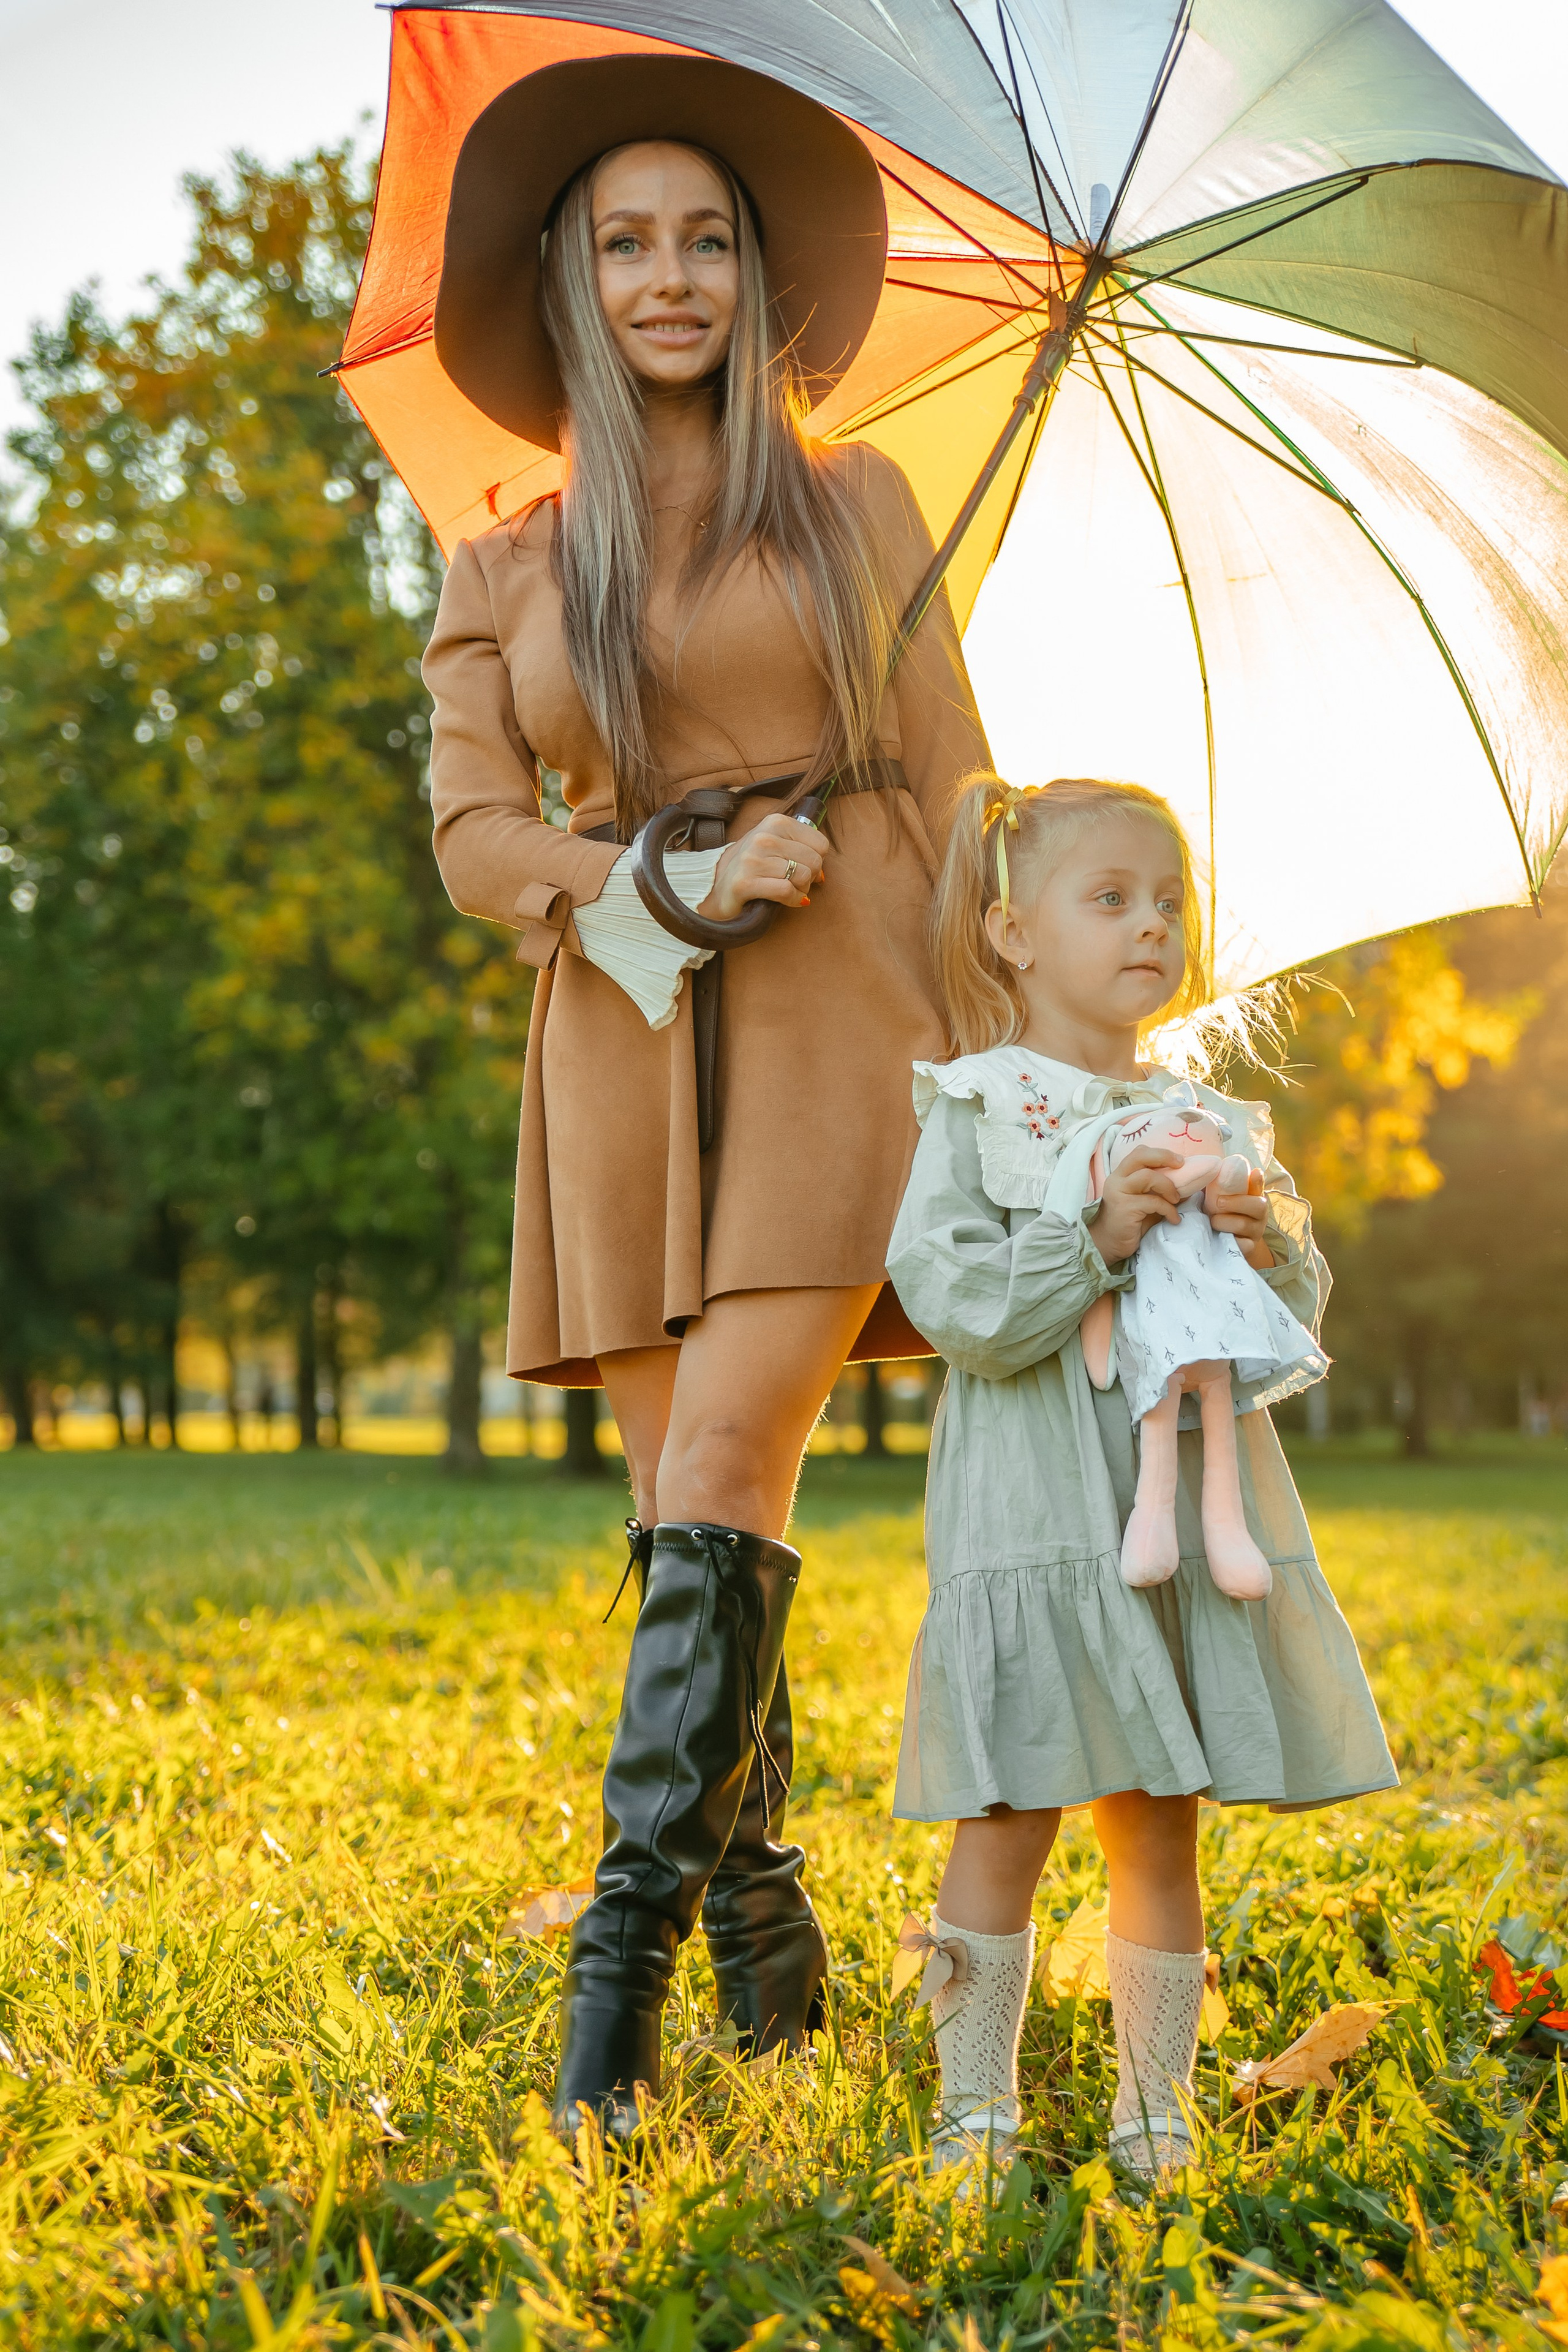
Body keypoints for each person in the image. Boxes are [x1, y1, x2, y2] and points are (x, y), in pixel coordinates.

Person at [421, 54, 991, 2137]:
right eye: (630, 243)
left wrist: (1019, 1050)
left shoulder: (860, 506)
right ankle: (774, 1952)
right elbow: (486, 848)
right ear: (573, 282)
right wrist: (655, 867)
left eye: (709, 239)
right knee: (682, 1515)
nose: (673, 277)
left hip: (851, 1013)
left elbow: (956, 784)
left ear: (759, 277)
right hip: (624, 1039)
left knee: (734, 1467)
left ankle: (613, 2006)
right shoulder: (501, 566)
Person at [884, 775, 1395, 2179]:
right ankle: (973, 2103)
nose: (1149, 926)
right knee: (1006, 1812)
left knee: (1155, 1819)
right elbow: (954, 1300)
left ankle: (1153, 2107)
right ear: (1009, 933)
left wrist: (1258, 1231)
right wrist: (1094, 1236)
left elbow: (1281, 1320)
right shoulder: (979, 1103)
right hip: (1037, 1506)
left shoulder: (1208, 1114)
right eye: (1107, 899)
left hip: (1168, 1506)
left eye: (1167, 900)